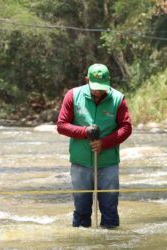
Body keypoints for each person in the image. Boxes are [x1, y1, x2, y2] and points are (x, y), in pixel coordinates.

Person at [57, 63, 132, 228]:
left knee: (110, 211)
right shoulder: (73, 95)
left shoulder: (118, 98)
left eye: (102, 88)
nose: (98, 92)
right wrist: (84, 132)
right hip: (80, 163)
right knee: (81, 211)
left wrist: (104, 143)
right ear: (87, 80)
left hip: (108, 164)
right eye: (95, 88)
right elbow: (61, 125)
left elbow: (126, 128)